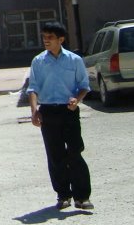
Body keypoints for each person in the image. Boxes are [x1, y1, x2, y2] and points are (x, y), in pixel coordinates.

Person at [27, 21, 94, 211]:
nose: (46, 41)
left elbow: (84, 86)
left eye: (50, 37)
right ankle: (63, 195)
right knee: (55, 156)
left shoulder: (74, 60)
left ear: (61, 39)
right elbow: (33, 88)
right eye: (44, 37)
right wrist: (34, 111)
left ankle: (82, 197)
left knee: (75, 152)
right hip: (48, 112)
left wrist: (77, 100)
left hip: (69, 111)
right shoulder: (38, 61)